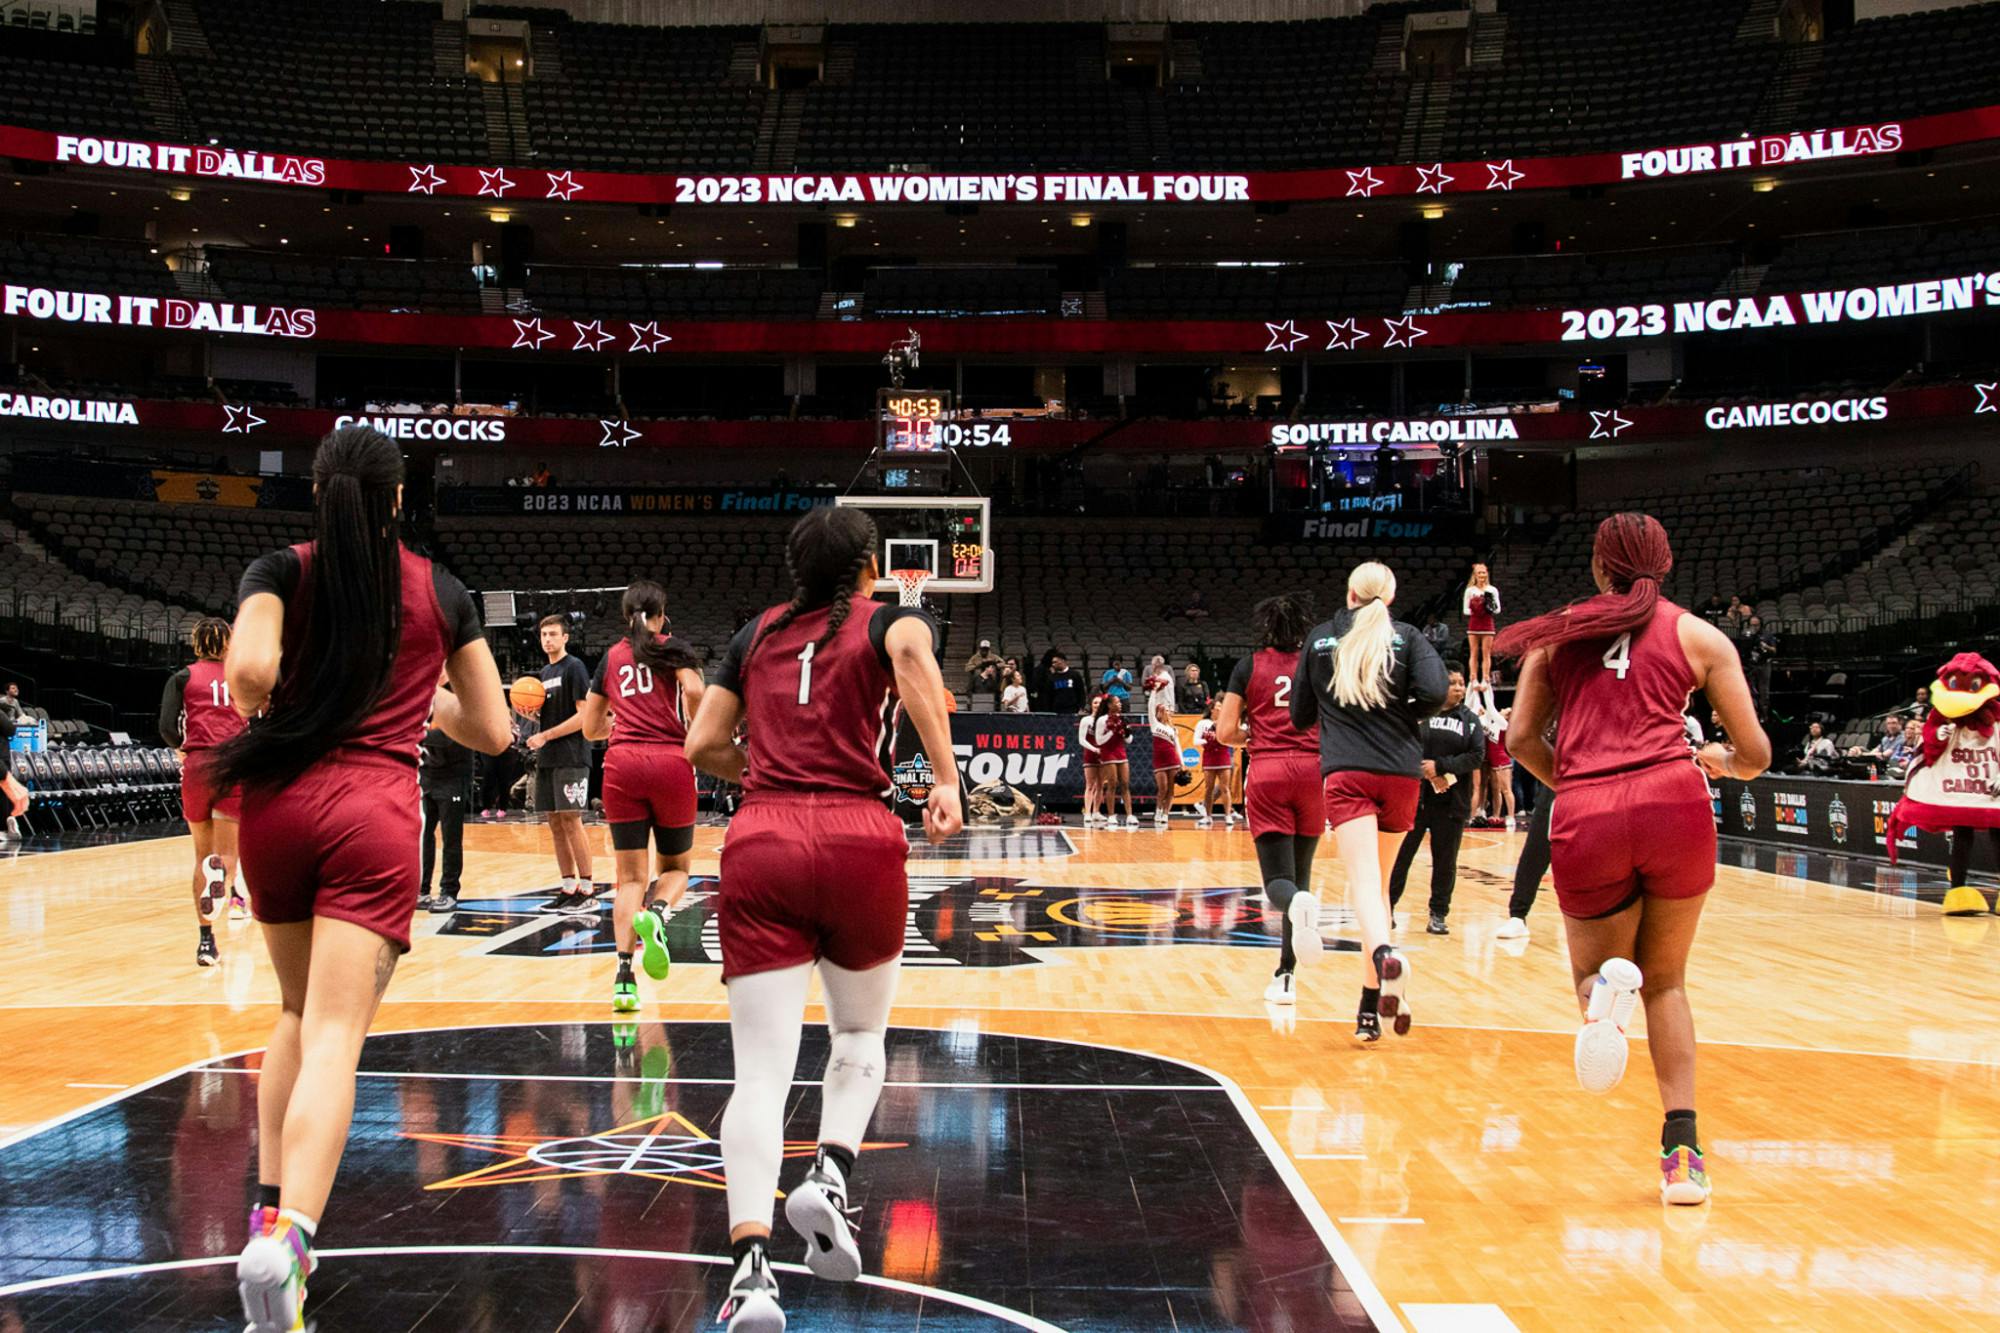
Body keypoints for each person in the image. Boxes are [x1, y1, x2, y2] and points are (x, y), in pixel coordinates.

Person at [215, 426, 510, 1331]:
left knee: (294, 1015)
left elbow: (250, 675)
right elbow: (494, 731)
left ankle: (266, 1210)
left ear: (318, 491)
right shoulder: (442, 591)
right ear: (394, 499)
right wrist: (420, 692)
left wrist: (291, 694)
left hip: (277, 806)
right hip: (374, 810)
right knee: (339, 1033)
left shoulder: (279, 570)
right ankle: (293, 1240)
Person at [682, 504, 961, 1332]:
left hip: (761, 834)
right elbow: (910, 651)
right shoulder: (890, 620)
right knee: (858, 1039)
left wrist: (762, 768)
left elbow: (702, 744)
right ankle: (831, 1170)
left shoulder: (755, 631)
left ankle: (748, 1274)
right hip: (858, 837)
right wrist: (943, 775)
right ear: (870, 566)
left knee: (759, 1074)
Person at [1500, 511, 1770, 1206]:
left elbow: (1520, 737)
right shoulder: (1699, 635)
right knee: (1670, 982)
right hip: (1674, 800)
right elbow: (1757, 754)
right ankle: (1683, 1158)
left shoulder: (1556, 635)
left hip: (1588, 807)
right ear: (1665, 562)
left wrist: (1582, 783)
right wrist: (1719, 762)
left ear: (1597, 567)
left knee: (1593, 972)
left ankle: (1605, 1001)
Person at [1290, 562, 1449, 1041]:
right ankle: (1367, 1008)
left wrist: (1338, 709)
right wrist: (1402, 713)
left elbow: (1299, 715)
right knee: (1379, 889)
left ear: (1350, 593)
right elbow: (1437, 692)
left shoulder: (1321, 638)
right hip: (1401, 773)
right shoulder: (1407, 637)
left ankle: (1383, 957)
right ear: (1390, 597)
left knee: (1364, 885)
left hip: (1348, 772)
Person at [579, 580, 707, 1014]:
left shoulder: (611, 657)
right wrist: (693, 723)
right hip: (671, 762)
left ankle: (623, 980)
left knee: (628, 878)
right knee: (676, 869)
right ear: (662, 613)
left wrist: (615, 728)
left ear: (624, 615)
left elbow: (590, 728)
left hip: (622, 765)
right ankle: (656, 912)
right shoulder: (676, 649)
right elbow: (694, 691)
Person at [1219, 593, 1327, 1007]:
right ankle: (1286, 974)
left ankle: (1287, 965)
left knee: (1280, 886)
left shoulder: (1248, 666)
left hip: (1267, 770)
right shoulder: (1318, 664)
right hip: (1314, 771)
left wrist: (1259, 736)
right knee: (1302, 876)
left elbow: (1226, 731)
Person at [159, 616, 249, 966]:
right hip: (233, 763)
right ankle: (222, 878)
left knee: (201, 855)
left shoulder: (182, 677)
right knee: (228, 856)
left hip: (198, 767)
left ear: (196, 643)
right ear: (228, 642)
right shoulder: (240, 676)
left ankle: (206, 943)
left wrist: (182, 747)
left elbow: (167, 726)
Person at [1388, 668, 1485, 936]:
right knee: (1400, 856)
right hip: (1413, 799)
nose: (1458, 688)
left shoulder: (1470, 720)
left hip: (1452, 800)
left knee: (1445, 861)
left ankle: (1438, 914)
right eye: (1452, 683)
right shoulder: (1417, 714)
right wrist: (1425, 770)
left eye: (1461, 683)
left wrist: (1440, 767)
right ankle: (1386, 909)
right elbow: (1399, 745)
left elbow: (1476, 755)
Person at [526, 614, 597, 911]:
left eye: (553, 634)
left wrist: (547, 734)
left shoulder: (575, 667)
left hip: (571, 754)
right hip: (549, 756)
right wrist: (531, 715)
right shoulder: (544, 672)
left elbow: (583, 716)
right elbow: (550, 714)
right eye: (544, 635)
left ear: (566, 637)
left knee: (571, 818)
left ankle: (588, 888)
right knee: (554, 822)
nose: (548, 640)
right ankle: (568, 886)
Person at [418, 680, 473, 914]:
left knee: (451, 838)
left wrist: (416, 732)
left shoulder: (459, 693)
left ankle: (449, 892)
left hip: (453, 776)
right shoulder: (421, 691)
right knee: (422, 836)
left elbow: (448, 736)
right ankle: (421, 890)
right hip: (426, 774)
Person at [1143, 658, 1181, 827]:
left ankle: (1166, 813)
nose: (1164, 711)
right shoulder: (1155, 724)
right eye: (1161, 709)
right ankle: (1158, 810)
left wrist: (1182, 763)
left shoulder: (1173, 729)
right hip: (1160, 761)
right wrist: (1154, 690)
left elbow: (1178, 747)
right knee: (1163, 788)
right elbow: (1151, 706)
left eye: (1165, 709)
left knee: (1172, 789)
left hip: (1173, 760)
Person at [1191, 697, 1238, 828]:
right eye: (1218, 706)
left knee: (1225, 788)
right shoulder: (1203, 723)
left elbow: (1230, 739)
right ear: (1212, 709)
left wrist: (1220, 737)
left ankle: (1228, 815)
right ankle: (1207, 816)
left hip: (1223, 756)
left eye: (1221, 706)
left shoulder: (1226, 722)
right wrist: (1208, 739)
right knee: (1209, 788)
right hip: (1209, 757)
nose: (1220, 708)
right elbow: (1195, 741)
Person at [1092, 694, 1135, 827]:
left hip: (1121, 753)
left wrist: (1127, 732)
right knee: (1112, 784)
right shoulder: (1102, 720)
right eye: (1117, 702)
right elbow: (1099, 741)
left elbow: (1129, 741)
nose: (1120, 704)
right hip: (1108, 754)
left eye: (1120, 702)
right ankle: (1111, 815)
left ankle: (1130, 815)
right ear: (1110, 705)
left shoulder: (1123, 719)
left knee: (1125, 784)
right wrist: (1111, 731)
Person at [1463, 562, 1501, 696]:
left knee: (1486, 653)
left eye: (1484, 573)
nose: (1482, 575)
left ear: (1487, 574)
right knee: (1474, 652)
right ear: (1475, 575)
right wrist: (1476, 607)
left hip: (1487, 624)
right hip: (1474, 623)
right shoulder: (1470, 590)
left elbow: (1498, 610)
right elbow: (1465, 610)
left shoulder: (1492, 590)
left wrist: (1488, 607)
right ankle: (1473, 678)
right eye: (1479, 573)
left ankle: (1485, 678)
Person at [1079, 694, 1106, 827]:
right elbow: (1081, 740)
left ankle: (1096, 811)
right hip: (1090, 754)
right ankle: (1087, 812)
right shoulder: (1086, 720)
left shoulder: (1106, 720)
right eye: (1095, 703)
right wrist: (1094, 749)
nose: (1097, 705)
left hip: (1103, 755)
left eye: (1099, 703)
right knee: (1090, 785)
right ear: (1091, 704)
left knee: (1100, 785)